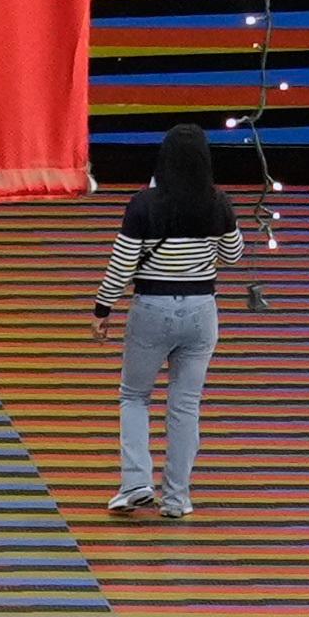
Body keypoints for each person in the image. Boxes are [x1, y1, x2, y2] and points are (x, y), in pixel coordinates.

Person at [90, 124, 242, 522]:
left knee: (134, 396)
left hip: (152, 309)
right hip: (202, 311)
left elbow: (122, 264)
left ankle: (136, 483)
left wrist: (103, 308)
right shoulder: (218, 203)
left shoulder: (143, 204)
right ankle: (177, 499)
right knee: (185, 405)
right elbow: (233, 255)